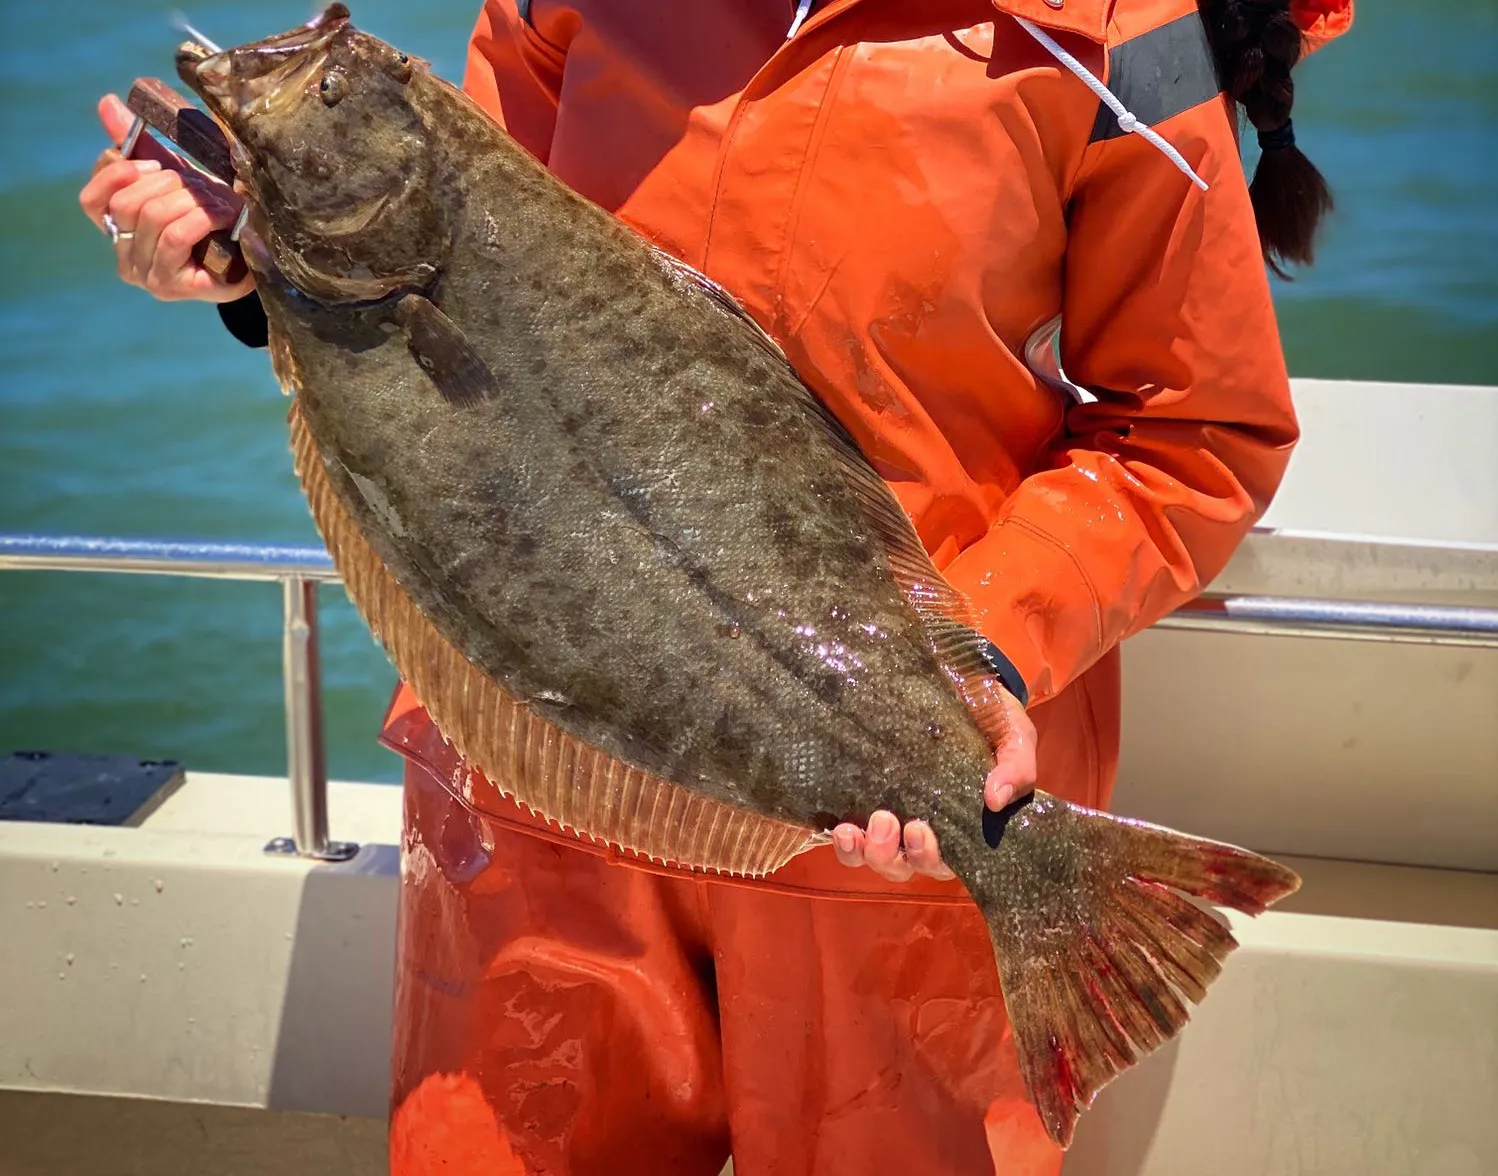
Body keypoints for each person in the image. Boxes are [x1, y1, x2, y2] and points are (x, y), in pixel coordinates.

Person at [79, 1, 1353, 1172]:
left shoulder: (1124, 32)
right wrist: (260, 267)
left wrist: (978, 661)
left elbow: (1192, 432)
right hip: (529, 797)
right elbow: (450, 290)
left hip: (889, 851)